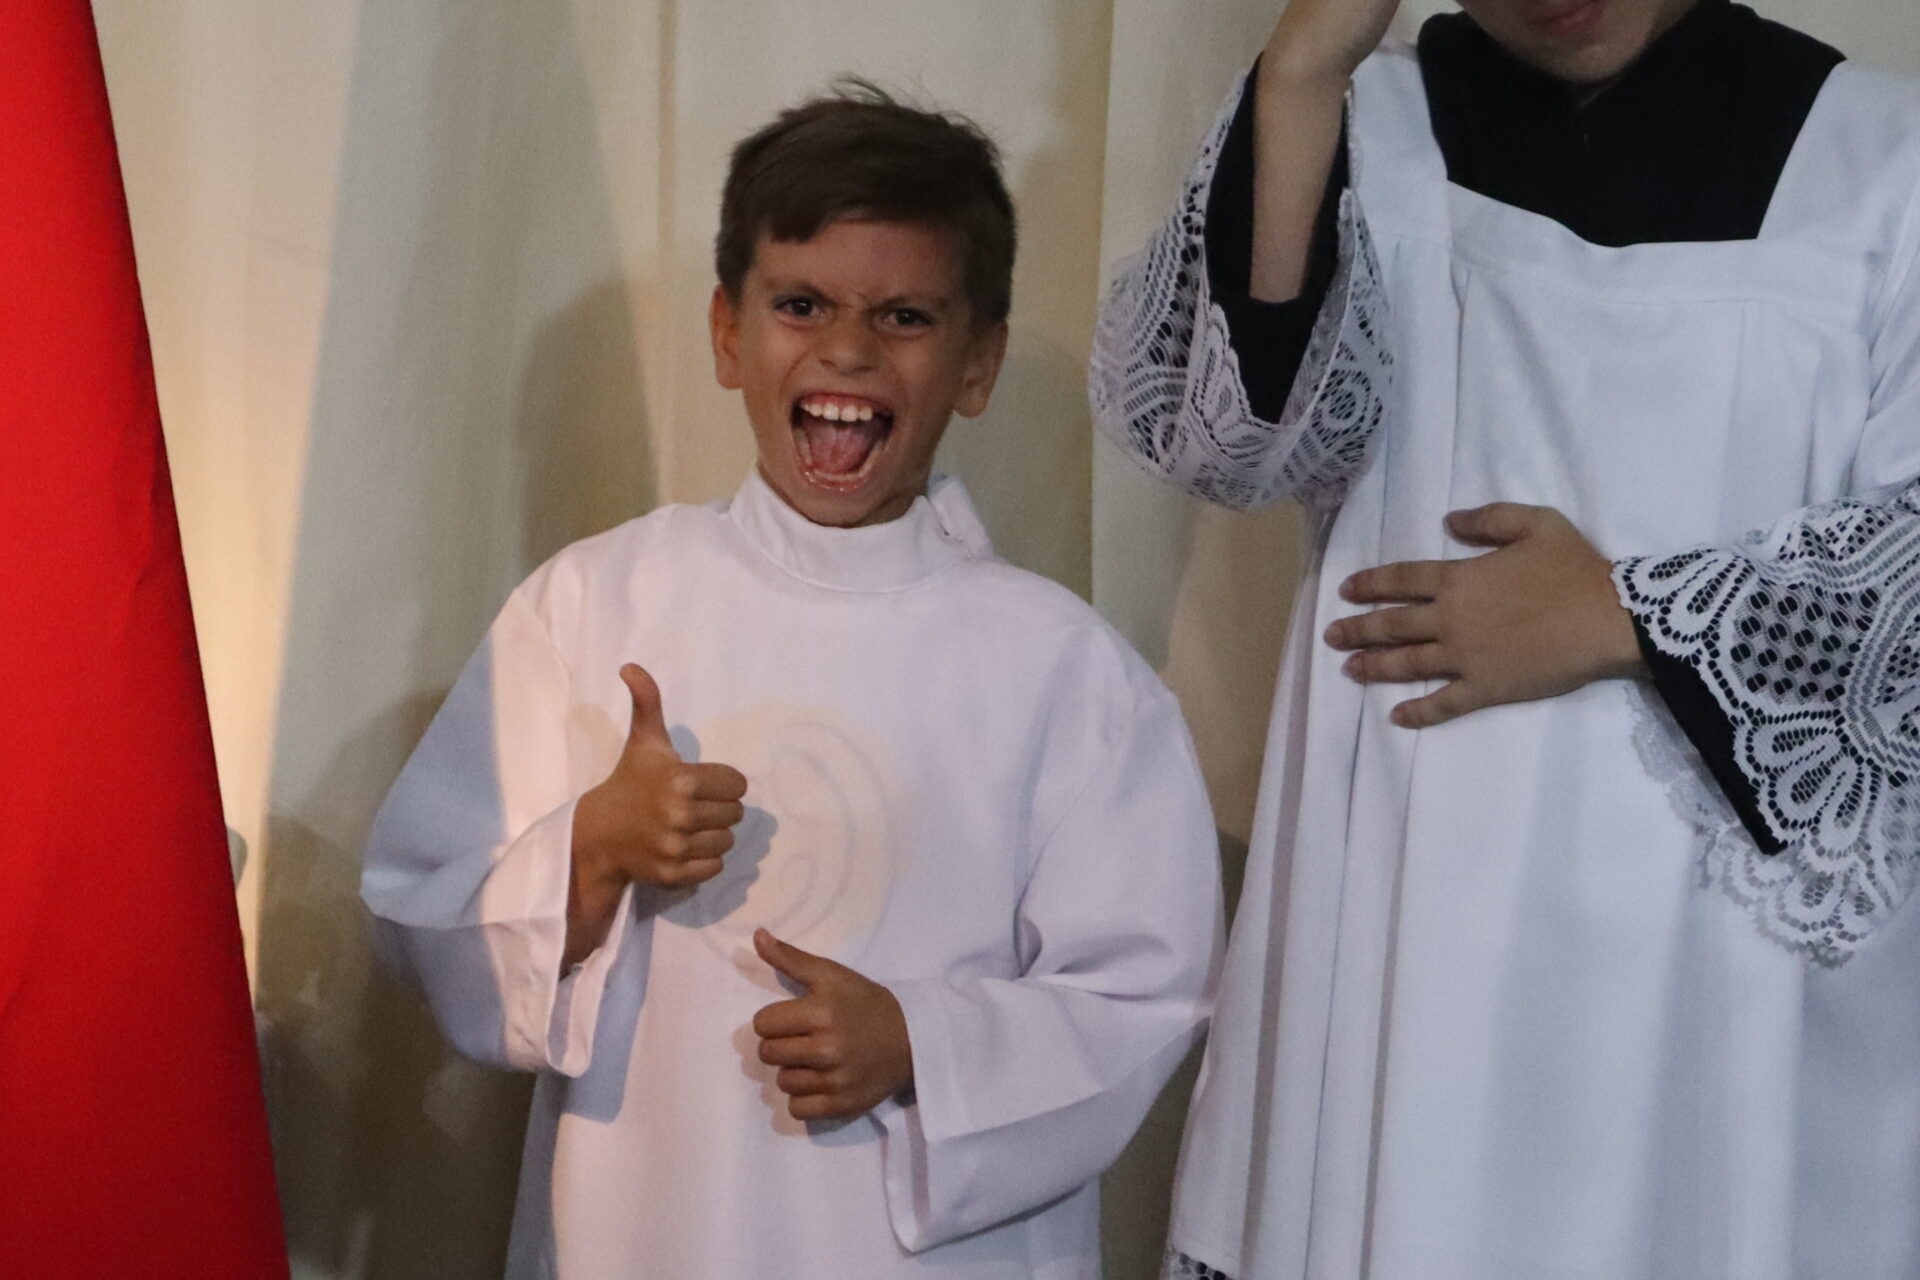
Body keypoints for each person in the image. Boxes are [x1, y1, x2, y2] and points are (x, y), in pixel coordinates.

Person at [1092, 2, 1920, 1278]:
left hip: (1712, 964)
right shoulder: (1366, 123)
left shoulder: (1884, 164)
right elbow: (1227, 446)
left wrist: (1625, 614)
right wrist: (1300, 78)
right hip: (1393, 906)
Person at [362, 83, 1222, 1280]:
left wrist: (921, 1040)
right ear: (728, 332)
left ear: (978, 362)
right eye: (801, 303)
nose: (847, 349)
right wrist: (593, 849)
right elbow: (419, 911)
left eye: (905, 315)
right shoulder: (593, 604)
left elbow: (1142, 996)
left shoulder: (1067, 674)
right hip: (640, 1227)